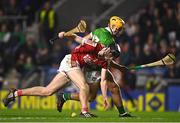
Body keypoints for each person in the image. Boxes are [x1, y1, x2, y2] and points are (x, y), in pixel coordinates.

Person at [56, 16, 132, 117]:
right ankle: (64, 96)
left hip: (96, 63)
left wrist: (118, 67)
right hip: (93, 67)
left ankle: (122, 113)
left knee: (114, 87)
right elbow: (106, 60)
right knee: (91, 97)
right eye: (119, 29)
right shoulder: (108, 41)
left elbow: (85, 40)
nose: (120, 31)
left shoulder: (100, 31)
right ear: (114, 27)